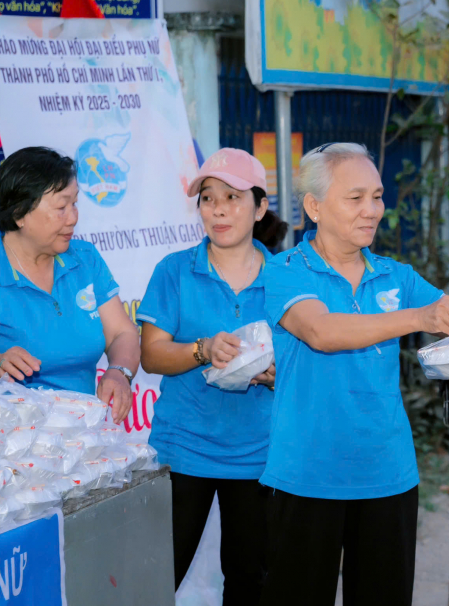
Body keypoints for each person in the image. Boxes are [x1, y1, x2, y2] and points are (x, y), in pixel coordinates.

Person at [257, 142, 449, 605]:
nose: (372, 210)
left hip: (388, 474)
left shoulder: (395, 276)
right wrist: (420, 318)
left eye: (378, 196)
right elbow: (322, 331)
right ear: (314, 207)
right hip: (308, 476)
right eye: (355, 198)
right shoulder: (287, 269)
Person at [137, 148, 286, 603]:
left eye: (233, 197)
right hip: (184, 449)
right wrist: (202, 350)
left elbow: (305, 361)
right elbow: (152, 355)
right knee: (159, 576)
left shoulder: (285, 278)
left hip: (259, 454)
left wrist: (276, 375)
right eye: (208, 198)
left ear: (260, 207)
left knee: (250, 582)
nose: (218, 209)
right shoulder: (174, 271)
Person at [0, 147, 137, 422]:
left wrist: (120, 372)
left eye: (74, 204)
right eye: (61, 208)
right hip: (9, 443)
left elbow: (122, 333)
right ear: (19, 214)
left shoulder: (85, 259)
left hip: (83, 438)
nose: (73, 217)